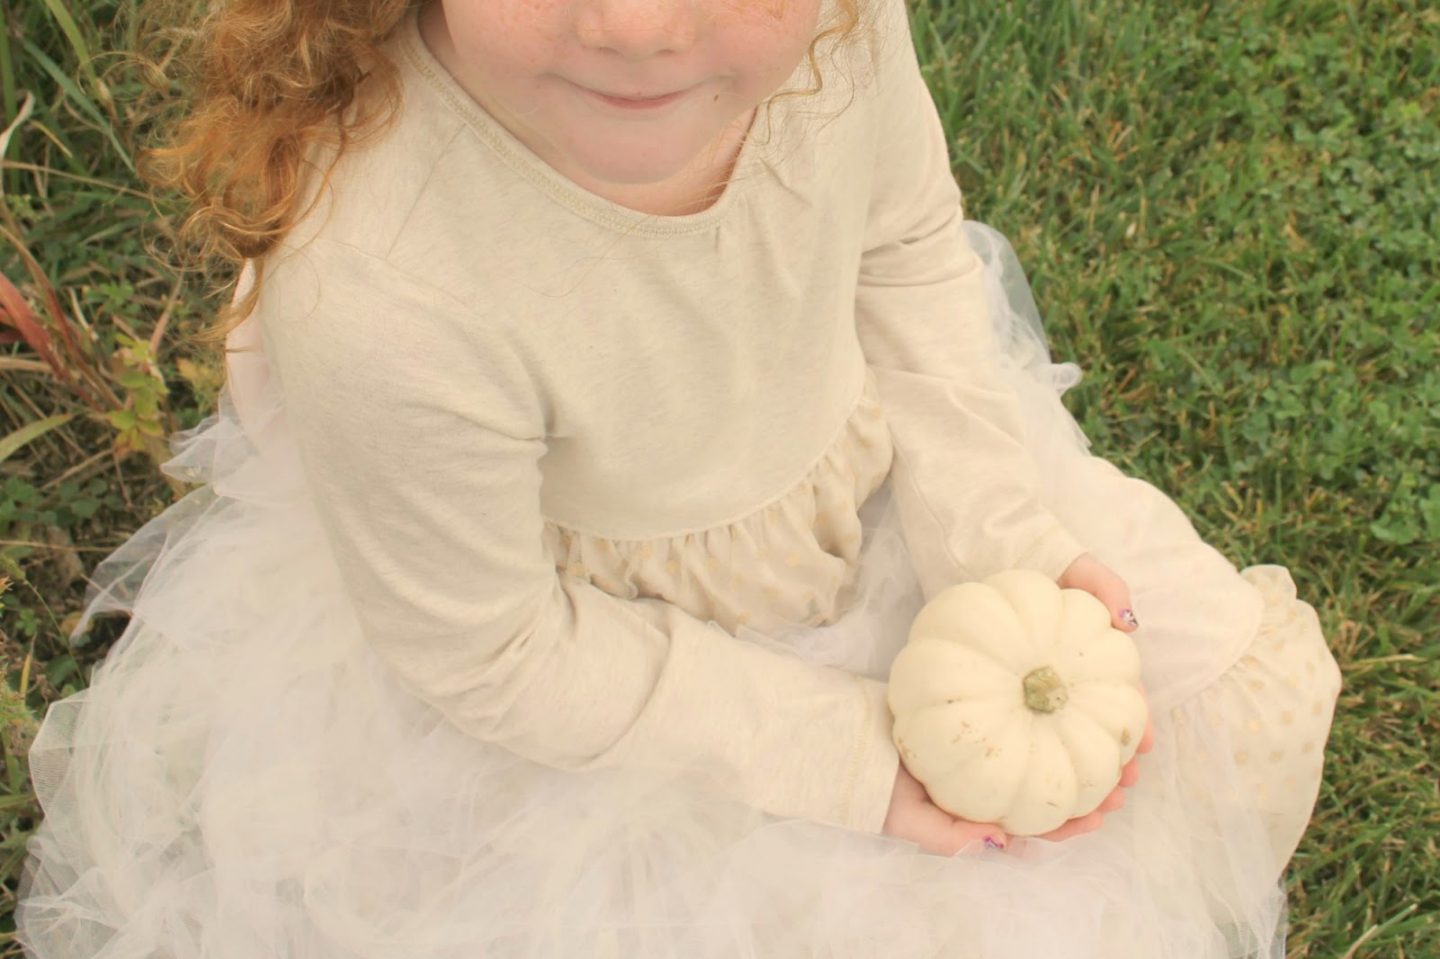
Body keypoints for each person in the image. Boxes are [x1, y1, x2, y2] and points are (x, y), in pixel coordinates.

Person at [14, 0, 1343, 956]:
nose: (637, 24)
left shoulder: (839, 32)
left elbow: (907, 259)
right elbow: (493, 653)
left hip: (874, 480)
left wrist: (997, 541)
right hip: (602, 657)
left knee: (1247, 702)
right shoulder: (383, 291)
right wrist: (861, 760)